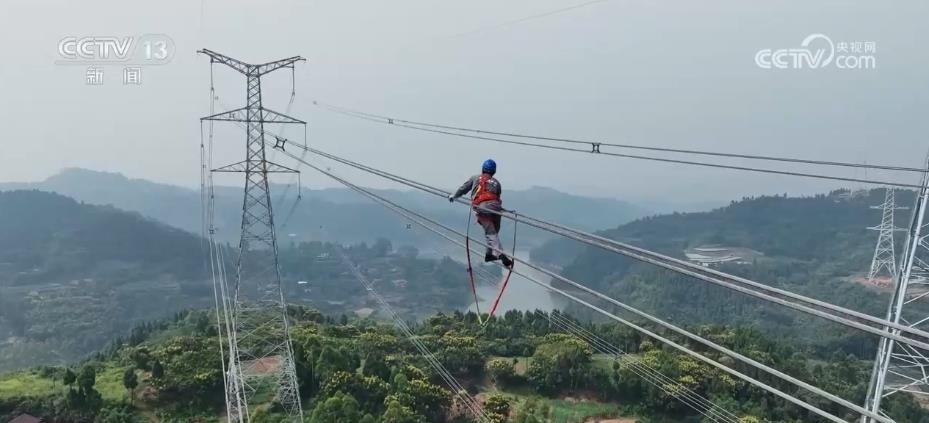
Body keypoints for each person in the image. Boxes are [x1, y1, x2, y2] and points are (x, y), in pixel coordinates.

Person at [449, 159, 514, 269]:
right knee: (494, 231)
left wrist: (453, 196)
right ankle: (490, 253)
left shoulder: (475, 178)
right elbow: (497, 196)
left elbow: (463, 189)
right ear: (494, 172)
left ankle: (499, 254)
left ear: (483, 169)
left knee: (490, 232)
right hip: (496, 209)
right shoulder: (497, 183)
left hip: (482, 208)